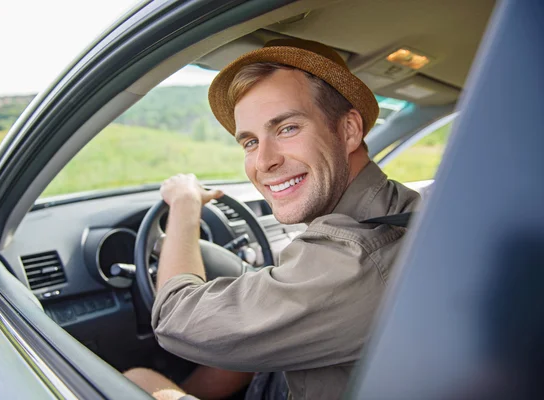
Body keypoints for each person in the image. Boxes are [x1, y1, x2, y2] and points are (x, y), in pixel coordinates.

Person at [124, 38, 420, 400]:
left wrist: (184, 208)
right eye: (249, 142)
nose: (264, 162)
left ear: (349, 130)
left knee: (139, 379)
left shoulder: (353, 256)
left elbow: (174, 318)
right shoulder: (405, 208)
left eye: (287, 128)